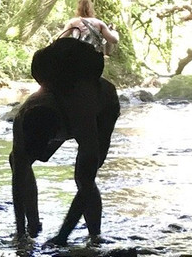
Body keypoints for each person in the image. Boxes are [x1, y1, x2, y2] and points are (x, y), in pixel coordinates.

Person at [10, 37, 120, 245]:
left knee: (84, 176)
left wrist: (62, 237)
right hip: (62, 107)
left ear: (57, 132)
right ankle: (33, 223)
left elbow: (87, 185)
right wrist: (21, 232)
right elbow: (18, 174)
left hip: (104, 108)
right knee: (18, 161)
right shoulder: (23, 115)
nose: (44, 158)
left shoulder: (82, 113)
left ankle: (94, 236)